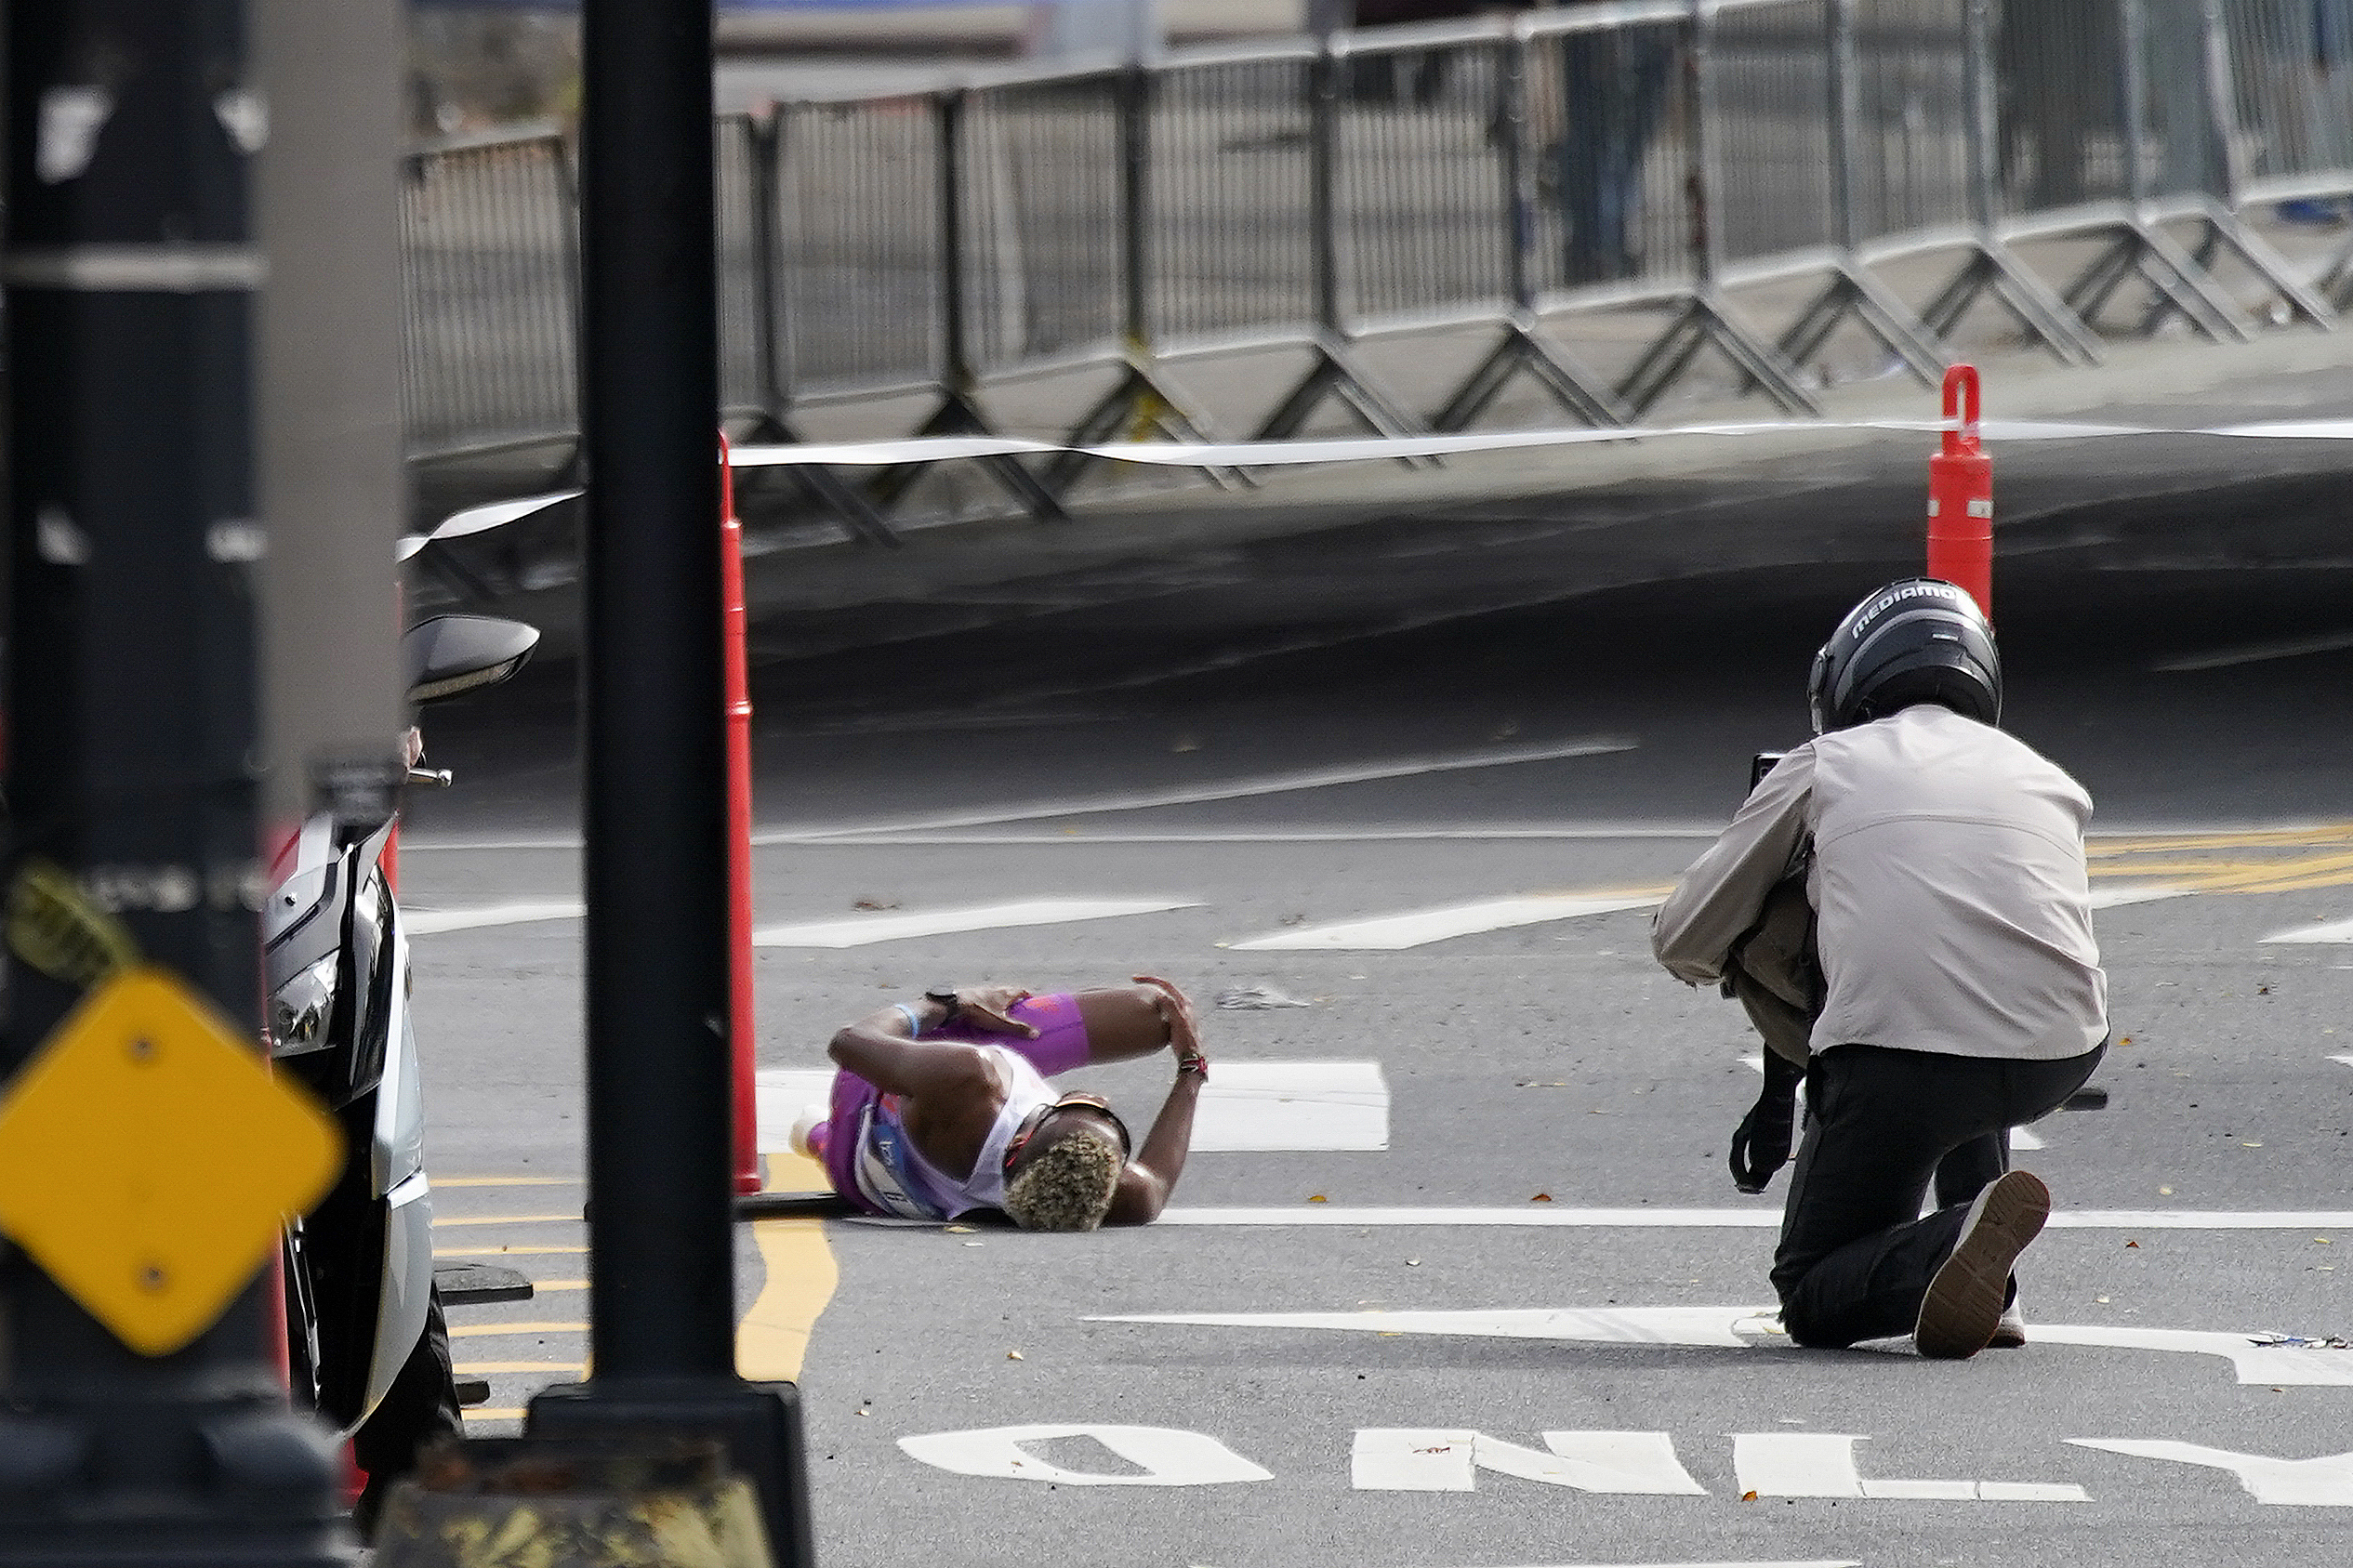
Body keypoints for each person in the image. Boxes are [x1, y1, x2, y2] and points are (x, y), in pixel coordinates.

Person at [1650, 579, 2108, 1360]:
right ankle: (1988, 1274)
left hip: (1901, 1061)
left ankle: (1949, 1247)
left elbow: (1685, 936)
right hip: (2059, 1052)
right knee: (1964, 985)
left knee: (1812, 1290)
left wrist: (1787, 935)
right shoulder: (2042, 774)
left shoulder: (1826, 761)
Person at [798, 977, 1207, 1230]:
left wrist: (949, 1003)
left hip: (867, 1092)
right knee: (1157, 1015)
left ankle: (825, 1137)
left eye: (1076, 1104)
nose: (1099, 1097)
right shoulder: (1085, 1197)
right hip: (861, 1182)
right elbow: (1154, 1185)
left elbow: (848, 1042)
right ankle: (819, 1139)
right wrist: (1191, 1070)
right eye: (1104, 1113)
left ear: (1018, 1142)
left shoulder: (970, 1080)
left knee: (1149, 1007)